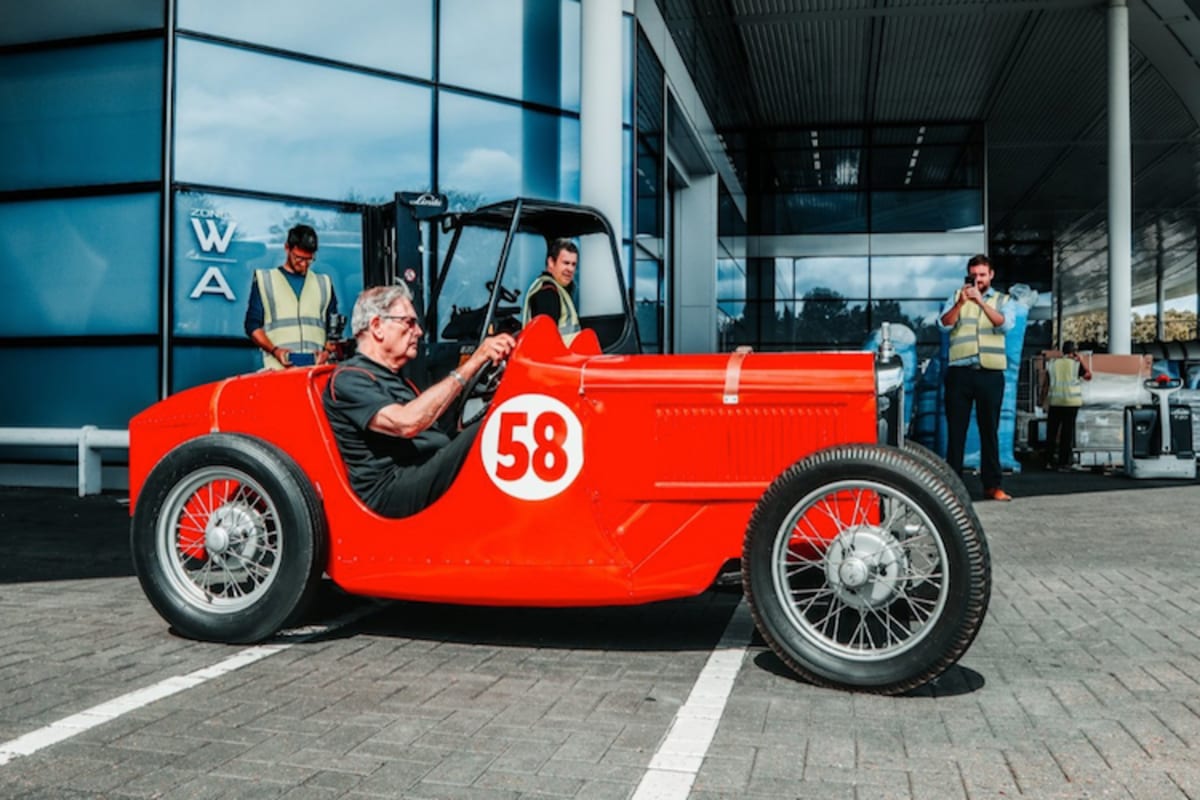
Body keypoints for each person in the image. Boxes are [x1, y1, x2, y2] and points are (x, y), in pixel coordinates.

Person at [323, 284, 515, 518]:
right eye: (409, 323)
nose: (419, 332)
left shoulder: (397, 379)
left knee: (498, 421)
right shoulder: (349, 378)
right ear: (377, 327)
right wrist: (473, 363)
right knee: (494, 428)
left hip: (419, 469)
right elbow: (406, 423)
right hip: (390, 488)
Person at [938, 253, 1017, 501]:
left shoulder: (1003, 300)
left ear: (991, 275)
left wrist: (982, 302)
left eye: (982, 275)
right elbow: (943, 325)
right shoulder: (955, 297)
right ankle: (953, 488)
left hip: (990, 374)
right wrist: (961, 303)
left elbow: (1004, 325)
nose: (978, 279)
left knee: (989, 431)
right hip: (960, 373)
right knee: (956, 432)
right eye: (974, 275)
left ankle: (992, 486)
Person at [244, 224, 339, 369]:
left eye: (309, 259)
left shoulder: (324, 283)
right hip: (278, 370)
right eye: (299, 258)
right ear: (287, 248)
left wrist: (327, 352)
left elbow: (334, 329)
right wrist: (275, 351)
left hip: (315, 370)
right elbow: (252, 325)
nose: (304, 264)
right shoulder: (265, 280)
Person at [1041, 340, 1092, 471]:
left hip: (1055, 402)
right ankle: (1063, 462)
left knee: (1051, 432)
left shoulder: (1052, 364)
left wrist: (1042, 400)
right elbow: (1088, 376)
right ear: (1074, 352)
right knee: (1067, 433)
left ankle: (1048, 461)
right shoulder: (1075, 365)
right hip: (1071, 403)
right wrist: (1081, 360)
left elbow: (1046, 384)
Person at [521, 238, 580, 343]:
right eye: (566, 263)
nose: (570, 269)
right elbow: (546, 341)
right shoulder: (548, 293)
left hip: (568, 357)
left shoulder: (559, 290)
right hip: (559, 358)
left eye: (573, 264)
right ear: (551, 263)